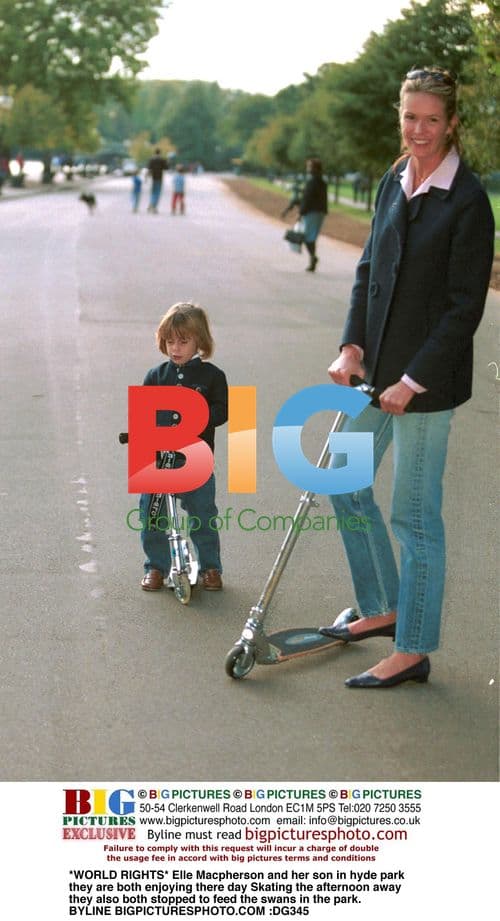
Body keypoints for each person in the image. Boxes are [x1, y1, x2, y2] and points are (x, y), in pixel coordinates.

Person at [319, 67, 494, 688]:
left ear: (451, 124)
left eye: (431, 120)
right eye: (409, 117)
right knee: (343, 481)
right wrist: (351, 347)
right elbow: (370, 269)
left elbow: (462, 308)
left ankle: (413, 649)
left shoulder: (467, 202)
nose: (418, 130)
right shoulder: (393, 179)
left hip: (425, 387)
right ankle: (383, 608)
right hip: (376, 373)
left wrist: (413, 380)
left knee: (415, 518)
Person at [139, 302, 228, 592]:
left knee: (203, 515)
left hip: (196, 459)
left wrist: (199, 418)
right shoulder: (155, 376)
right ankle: (156, 567)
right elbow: (143, 416)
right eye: (170, 341)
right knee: (152, 515)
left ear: (199, 342)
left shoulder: (213, 377)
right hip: (159, 460)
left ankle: (210, 568)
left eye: (183, 341)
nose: (175, 347)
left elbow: (223, 411)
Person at [298, 158, 328, 272]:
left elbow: (307, 199)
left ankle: (313, 258)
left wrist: (301, 212)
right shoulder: (322, 182)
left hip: (312, 212)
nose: (308, 169)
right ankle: (312, 258)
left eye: (309, 166)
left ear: (315, 168)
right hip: (319, 212)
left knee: (308, 237)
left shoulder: (312, 182)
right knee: (311, 236)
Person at [147, 147, 168, 213]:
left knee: (153, 192)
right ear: (160, 152)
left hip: (153, 178)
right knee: (158, 193)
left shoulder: (151, 159)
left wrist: (146, 177)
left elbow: (149, 169)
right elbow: (166, 168)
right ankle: (154, 206)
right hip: (159, 178)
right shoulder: (162, 159)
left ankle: (151, 203)